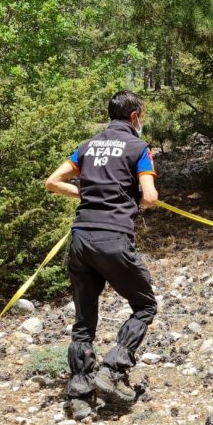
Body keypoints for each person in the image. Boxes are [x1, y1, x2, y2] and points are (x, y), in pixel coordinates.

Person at [45, 90, 158, 404]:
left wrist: (85, 195)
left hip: (80, 240)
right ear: (134, 116)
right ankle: (113, 367)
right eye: (142, 116)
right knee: (145, 305)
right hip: (113, 239)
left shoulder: (87, 146)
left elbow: (52, 182)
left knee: (84, 318)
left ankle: (80, 392)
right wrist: (128, 197)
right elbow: (149, 198)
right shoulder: (138, 147)